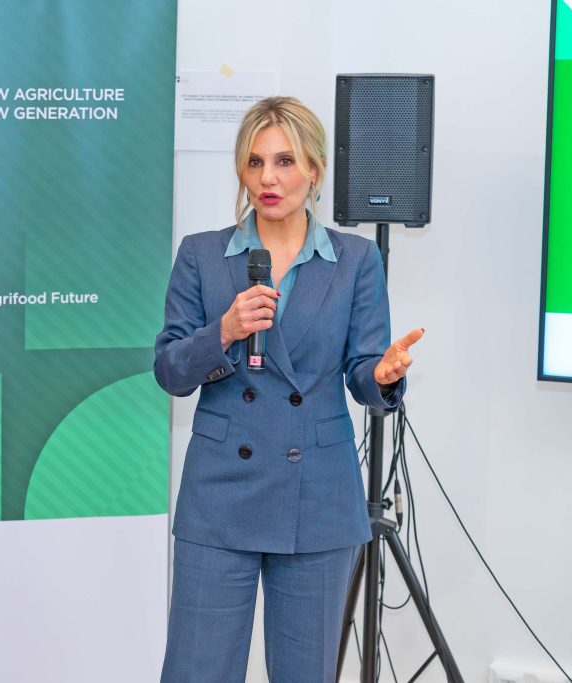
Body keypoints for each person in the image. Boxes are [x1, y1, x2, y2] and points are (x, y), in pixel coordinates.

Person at [154, 97, 422, 682]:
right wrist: (223, 331)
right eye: (255, 162)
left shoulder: (356, 259)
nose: (268, 179)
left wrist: (382, 376)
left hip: (317, 497)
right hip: (219, 496)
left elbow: (363, 369)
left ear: (315, 170)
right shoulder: (202, 254)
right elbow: (171, 371)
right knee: (197, 671)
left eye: (284, 161)